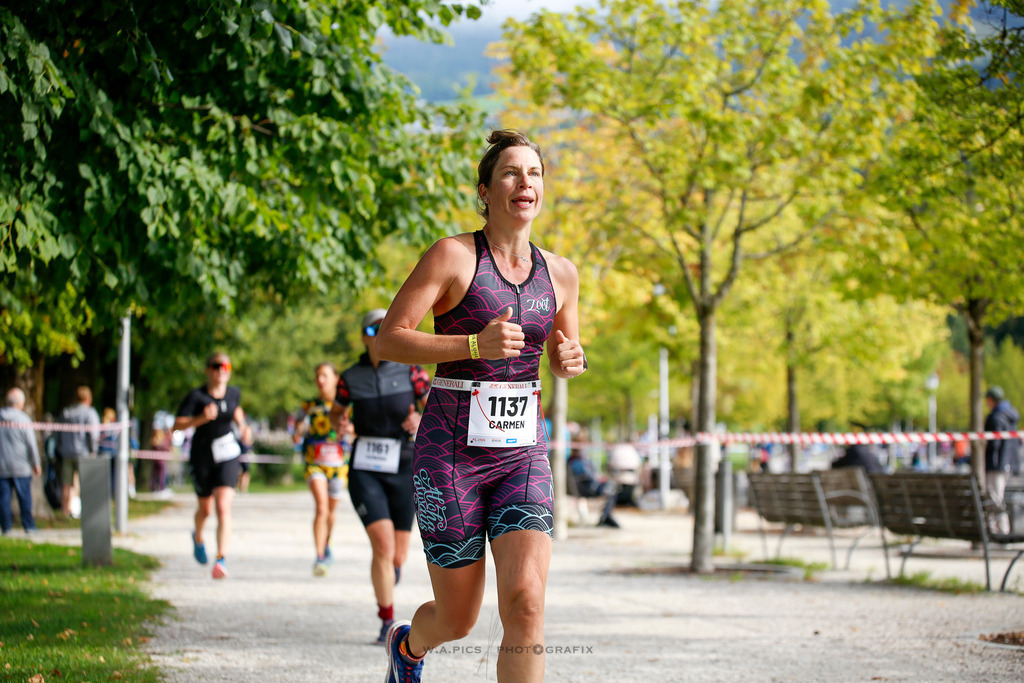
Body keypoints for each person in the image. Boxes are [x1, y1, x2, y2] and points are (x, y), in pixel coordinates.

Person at [374, 129, 587, 683]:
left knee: (526, 605)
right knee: (458, 618)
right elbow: (389, 339)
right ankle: (409, 647)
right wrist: (472, 344)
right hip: (451, 455)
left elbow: (563, 352)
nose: (525, 183)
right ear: (486, 191)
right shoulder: (453, 255)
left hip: (522, 455)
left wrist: (569, 361)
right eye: (512, 173)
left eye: (534, 173)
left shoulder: (561, 273)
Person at [335, 310, 429, 642]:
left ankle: (390, 577)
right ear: (363, 336)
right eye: (372, 329)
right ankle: (387, 620)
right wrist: (341, 425)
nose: (378, 334)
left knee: (398, 554)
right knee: (384, 547)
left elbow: (437, 405)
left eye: (384, 328)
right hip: (365, 467)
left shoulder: (411, 370)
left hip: (404, 464)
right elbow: (337, 412)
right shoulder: (350, 377)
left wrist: (421, 419)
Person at [174, 353, 252, 579]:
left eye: (226, 366)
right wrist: (200, 419)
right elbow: (176, 427)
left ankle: (221, 559)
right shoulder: (196, 396)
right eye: (216, 366)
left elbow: (235, 409)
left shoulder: (234, 393)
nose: (221, 370)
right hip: (202, 455)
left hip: (227, 454)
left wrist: (243, 426)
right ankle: (198, 537)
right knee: (206, 509)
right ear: (208, 370)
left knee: (223, 507)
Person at [298, 362, 347, 577]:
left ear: (336, 379)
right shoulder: (309, 405)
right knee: (321, 507)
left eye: (325, 375)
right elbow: (296, 426)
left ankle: (327, 542)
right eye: (318, 375)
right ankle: (319, 556)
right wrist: (298, 430)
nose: (321, 380)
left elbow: (355, 428)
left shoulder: (347, 405)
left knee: (331, 512)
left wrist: (349, 429)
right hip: (314, 463)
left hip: (338, 466)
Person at [0, 388, 42, 535]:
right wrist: (36, 463)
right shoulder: (23, 419)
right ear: (19, 403)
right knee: (25, 498)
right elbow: (32, 444)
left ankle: (6, 528)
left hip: (2, 466)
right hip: (21, 466)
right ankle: (29, 526)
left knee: (3, 499)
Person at [54, 385, 100, 517]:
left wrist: (60, 448)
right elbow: (93, 434)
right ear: (88, 398)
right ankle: (84, 511)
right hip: (84, 453)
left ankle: (65, 511)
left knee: (66, 484)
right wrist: (94, 451)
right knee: (84, 483)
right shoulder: (90, 413)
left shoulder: (66, 412)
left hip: (66, 453)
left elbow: (58, 432)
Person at [983, 386, 1021, 535]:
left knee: (995, 496)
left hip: (997, 462)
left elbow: (994, 443)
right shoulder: (1008, 415)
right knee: (997, 495)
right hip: (1007, 462)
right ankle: (999, 527)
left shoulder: (997, 416)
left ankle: (1001, 529)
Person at [567, 449, 619, 527]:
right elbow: (589, 477)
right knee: (612, 488)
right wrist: (598, 480)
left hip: (581, 488)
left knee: (610, 487)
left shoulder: (570, 461)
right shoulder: (579, 462)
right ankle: (606, 516)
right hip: (588, 489)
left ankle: (605, 516)